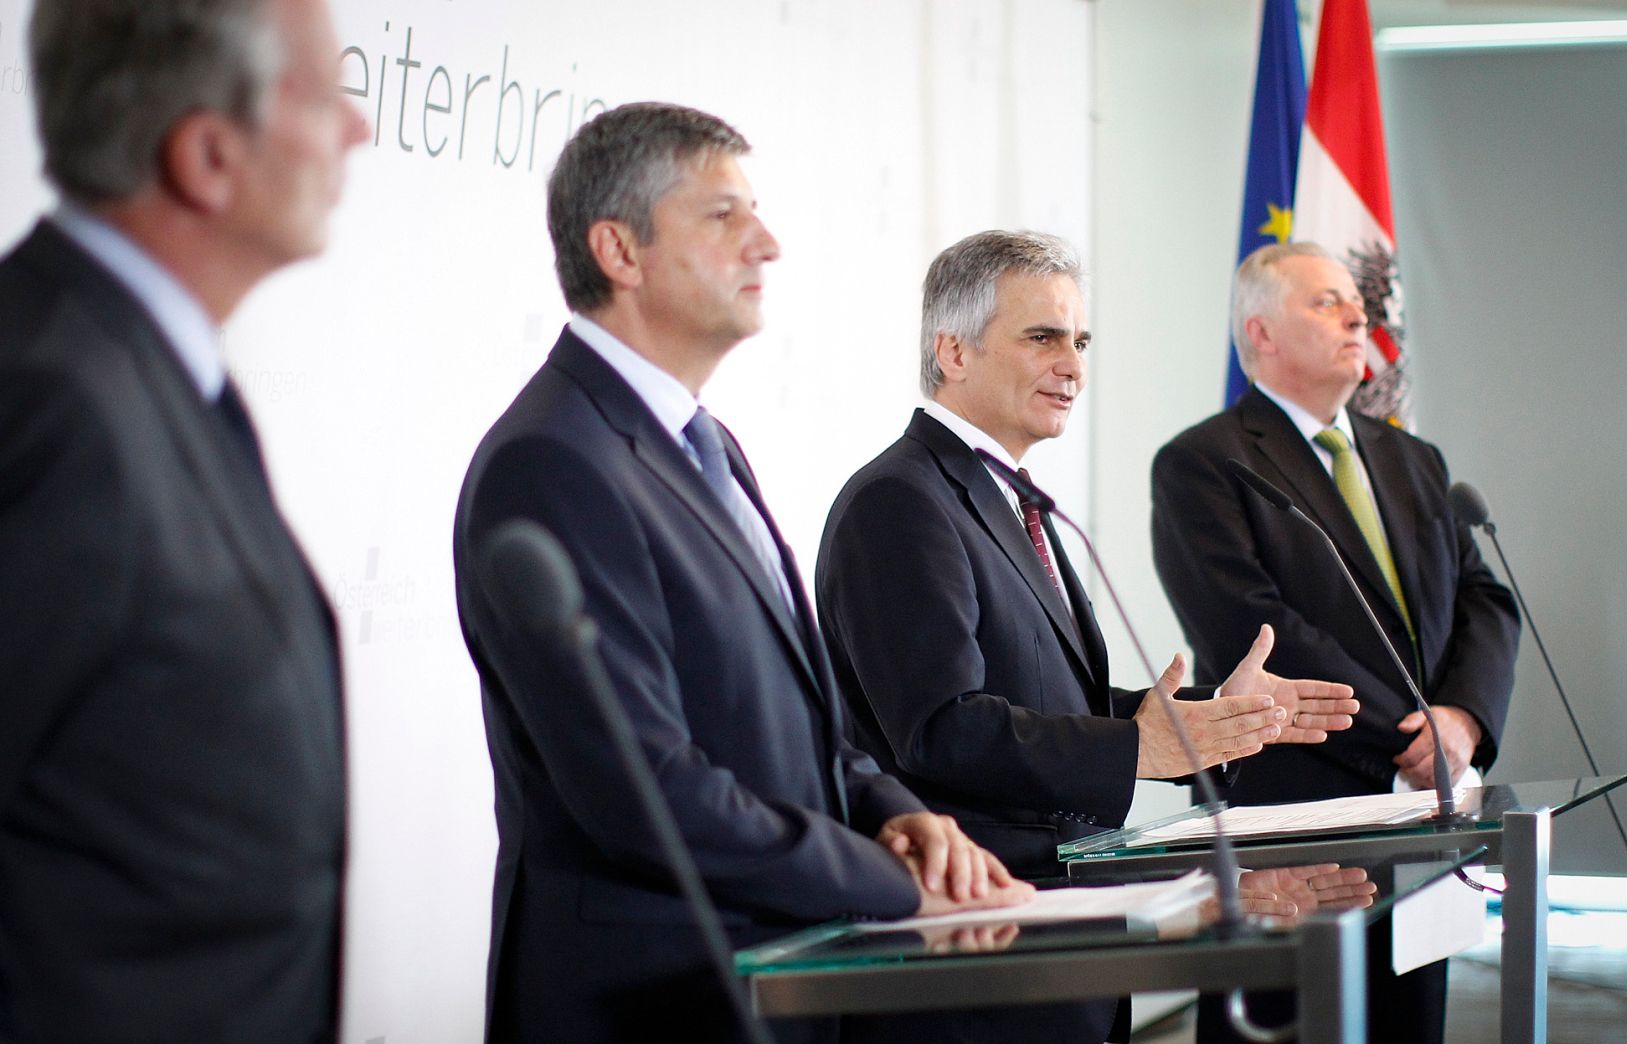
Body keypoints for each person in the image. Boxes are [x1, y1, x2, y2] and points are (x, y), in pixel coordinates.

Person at [452, 103, 1028, 1044]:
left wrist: (896, 811)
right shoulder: (552, 462)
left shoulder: (705, 440)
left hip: (767, 974)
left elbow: (797, 718)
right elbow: (643, 787)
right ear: (619, 251)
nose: (768, 243)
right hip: (646, 999)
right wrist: (886, 881)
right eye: (725, 217)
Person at [815, 230, 1358, 1043]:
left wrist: (1209, 720)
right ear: (952, 351)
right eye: (1042, 337)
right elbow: (942, 727)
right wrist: (1141, 751)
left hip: (1064, 926)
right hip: (976, 946)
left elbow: (1046, 697)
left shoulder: (1009, 497)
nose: (1072, 363)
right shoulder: (900, 502)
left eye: (1080, 339)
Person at [0, 0, 369, 1038]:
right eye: (328, 95)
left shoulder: (136, 369)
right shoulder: (51, 405)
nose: (360, 127)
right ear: (208, 156)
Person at [1150, 241, 1520, 1043]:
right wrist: (1411, 736)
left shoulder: (1413, 459)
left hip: (1426, 802)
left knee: (1410, 1023)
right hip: (1292, 814)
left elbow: (1484, 600)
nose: (1359, 314)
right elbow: (1254, 625)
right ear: (1262, 333)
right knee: (1293, 1026)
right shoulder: (1203, 463)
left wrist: (1461, 721)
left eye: (1355, 300)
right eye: (1325, 302)